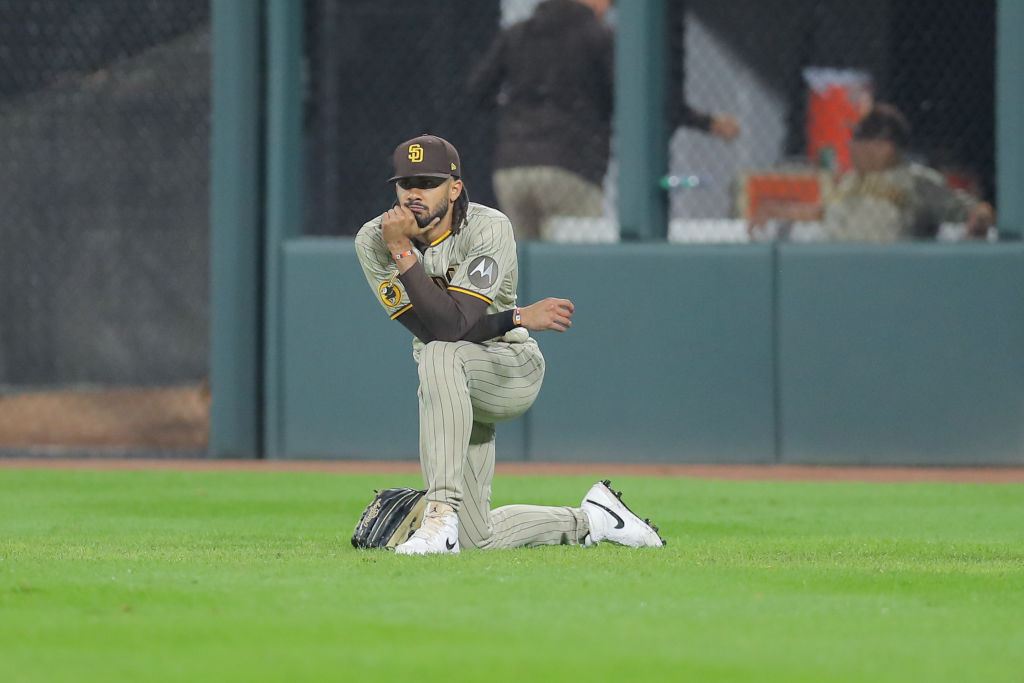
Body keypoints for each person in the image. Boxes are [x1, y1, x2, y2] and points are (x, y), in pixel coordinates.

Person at [354, 134, 665, 554]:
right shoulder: (373, 239)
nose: (414, 194)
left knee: (440, 354)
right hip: (449, 389)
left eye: (428, 183)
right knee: (475, 539)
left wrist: (403, 251)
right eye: (406, 183)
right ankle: (595, 519)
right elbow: (431, 330)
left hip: (507, 366)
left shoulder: (487, 227)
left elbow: (453, 325)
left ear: (454, 188)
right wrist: (516, 314)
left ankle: (439, 515)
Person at [465, 0, 741, 241]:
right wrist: (705, 122)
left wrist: (514, 117)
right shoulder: (598, 36)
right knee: (576, 262)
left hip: (513, 168)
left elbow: (477, 91)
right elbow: (636, 101)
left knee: (522, 264)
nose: (608, 8)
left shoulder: (517, 34)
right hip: (570, 166)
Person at [750, 103, 995, 242]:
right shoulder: (850, 179)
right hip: (832, 266)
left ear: (885, 147)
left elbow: (975, 210)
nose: (851, 146)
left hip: (887, 270)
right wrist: (777, 210)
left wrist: (979, 221)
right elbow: (822, 211)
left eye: (859, 139)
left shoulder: (917, 179)